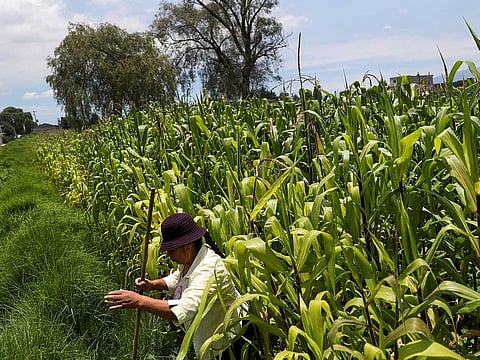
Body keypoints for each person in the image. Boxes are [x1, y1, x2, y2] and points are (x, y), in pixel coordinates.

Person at [104, 212, 242, 359]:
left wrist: (138, 301)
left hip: (226, 342)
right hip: (208, 335)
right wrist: (151, 285)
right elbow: (178, 279)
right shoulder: (191, 258)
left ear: (187, 246)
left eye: (171, 249)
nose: (169, 254)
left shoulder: (208, 269)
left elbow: (185, 308)